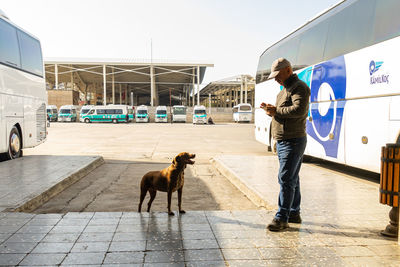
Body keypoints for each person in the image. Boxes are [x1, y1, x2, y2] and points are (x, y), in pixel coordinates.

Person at [260, 58, 310, 231]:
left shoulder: (299, 87)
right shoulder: (284, 90)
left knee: (286, 179)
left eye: (277, 75)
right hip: (284, 140)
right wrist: (271, 110)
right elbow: (283, 112)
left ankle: (282, 217)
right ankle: (294, 212)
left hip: (293, 140)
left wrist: (276, 111)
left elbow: (299, 110)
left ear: (288, 70)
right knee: (292, 178)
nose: (275, 79)